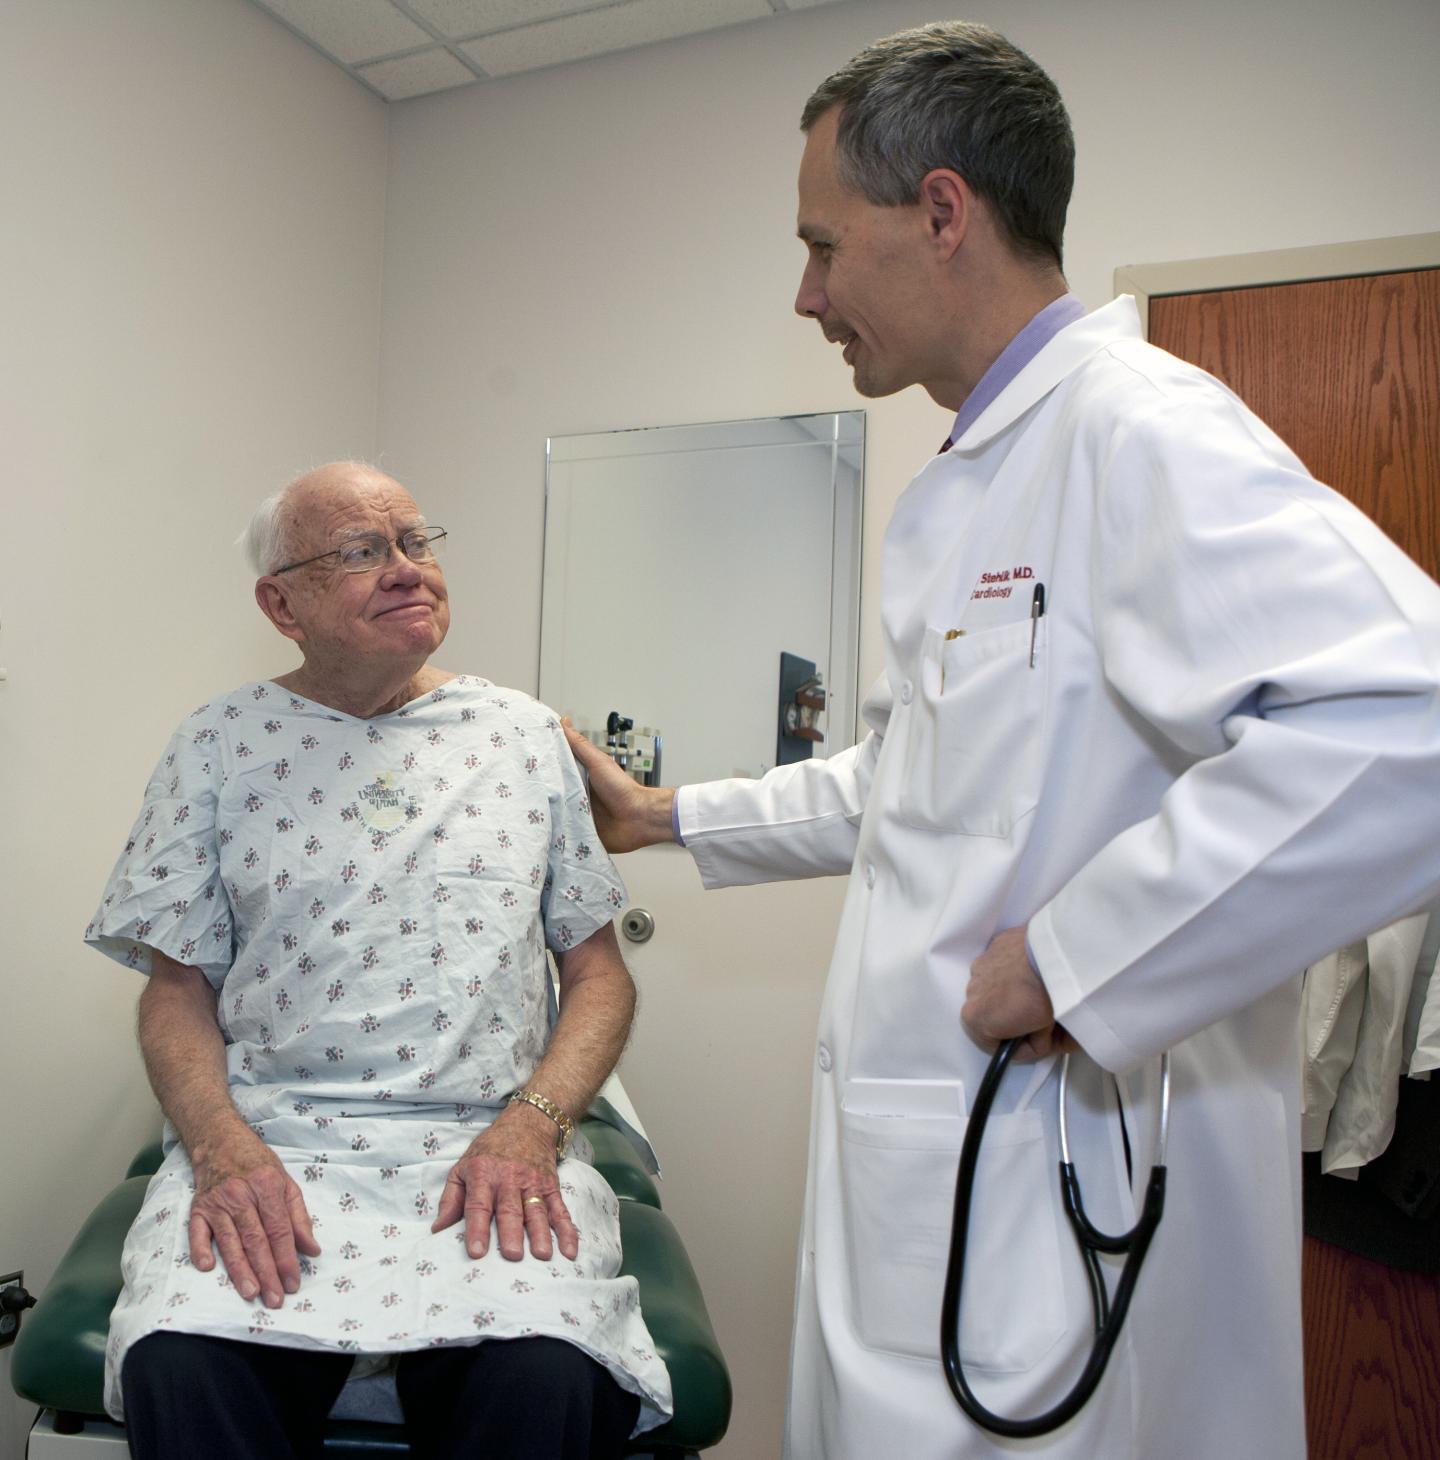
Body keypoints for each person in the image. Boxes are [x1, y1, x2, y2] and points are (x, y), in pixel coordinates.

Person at [565, 21, 1440, 1460]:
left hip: (1048, 1202)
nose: (806, 294)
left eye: (822, 246)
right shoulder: (985, 469)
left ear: (942, 211)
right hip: (961, 1191)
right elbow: (915, 779)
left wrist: (1084, 957)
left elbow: (1409, 720)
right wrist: (660, 817)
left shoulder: (1132, 427)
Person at [85, 461, 672, 1460]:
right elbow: (175, 987)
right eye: (362, 551)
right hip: (277, 1140)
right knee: (184, 1361)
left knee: (543, 1373)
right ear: (282, 605)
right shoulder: (218, 745)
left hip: (489, 1143)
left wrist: (534, 1124)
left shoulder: (522, 737)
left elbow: (598, 974)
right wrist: (220, 1146)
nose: (407, 568)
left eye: (415, 541)